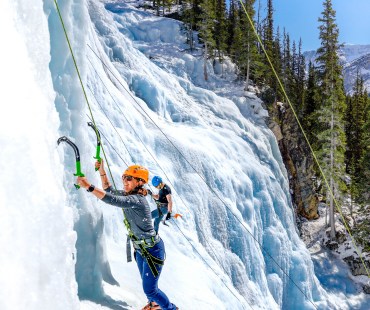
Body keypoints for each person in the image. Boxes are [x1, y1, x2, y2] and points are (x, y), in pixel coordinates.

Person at [77, 160, 177, 310]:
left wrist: (88, 186)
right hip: (142, 249)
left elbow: (112, 199)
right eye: (124, 177)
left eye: (129, 178)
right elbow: (109, 191)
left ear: (140, 182)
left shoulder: (137, 200)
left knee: (150, 289)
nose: (124, 181)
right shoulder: (130, 196)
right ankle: (154, 304)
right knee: (147, 283)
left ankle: (170, 308)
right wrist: (102, 171)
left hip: (151, 250)